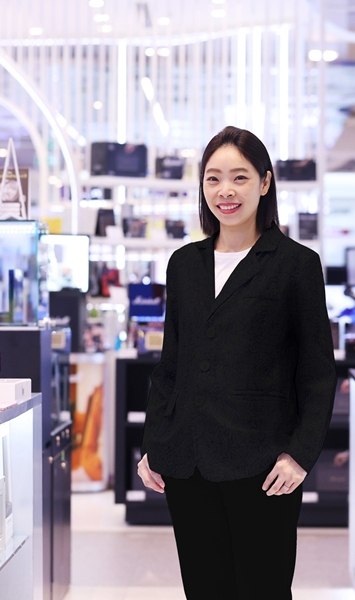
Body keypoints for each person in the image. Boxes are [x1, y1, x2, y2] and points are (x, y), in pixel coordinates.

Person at [137, 126, 337, 600]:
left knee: (263, 590)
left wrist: (300, 455)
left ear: (265, 183)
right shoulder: (184, 264)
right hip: (188, 464)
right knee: (204, 590)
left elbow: (317, 372)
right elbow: (171, 365)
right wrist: (153, 443)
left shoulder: (296, 264)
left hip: (263, 467)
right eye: (213, 179)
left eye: (239, 177)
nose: (225, 191)